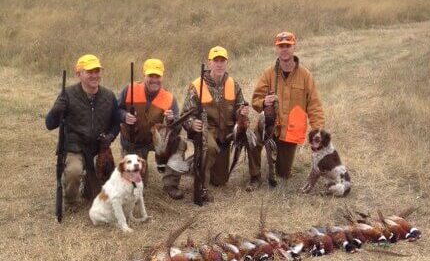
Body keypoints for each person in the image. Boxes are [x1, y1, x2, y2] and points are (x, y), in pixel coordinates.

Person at [248, 32, 325, 189]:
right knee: (252, 140)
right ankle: (255, 176)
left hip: (289, 132)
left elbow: (314, 106)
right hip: (270, 126)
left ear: (294, 47)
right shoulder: (268, 73)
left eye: (288, 46)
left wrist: (317, 131)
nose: (284, 49)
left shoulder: (305, 75)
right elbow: (255, 100)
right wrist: (263, 102)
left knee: (283, 174)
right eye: (281, 46)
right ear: (276, 49)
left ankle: (274, 157)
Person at [45, 54, 120, 210]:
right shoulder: (67, 94)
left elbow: (116, 123)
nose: (94, 75)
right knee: (74, 171)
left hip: (98, 148)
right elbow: (50, 124)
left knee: (102, 195)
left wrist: (110, 136)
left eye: (97, 71)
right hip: (75, 147)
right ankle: (71, 201)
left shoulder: (109, 96)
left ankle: (89, 185)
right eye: (89, 72)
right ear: (78, 74)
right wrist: (56, 110)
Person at [181, 46, 249, 202]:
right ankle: (201, 188)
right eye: (216, 61)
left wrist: (242, 112)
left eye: (222, 61)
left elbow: (239, 107)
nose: (219, 64)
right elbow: (185, 115)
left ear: (226, 63)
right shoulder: (196, 85)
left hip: (225, 134)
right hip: (207, 130)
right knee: (209, 148)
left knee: (220, 181)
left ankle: (195, 164)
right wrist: (192, 124)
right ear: (209, 63)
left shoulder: (234, 84)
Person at [118, 58, 185, 200]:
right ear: (144, 75)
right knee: (136, 188)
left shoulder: (169, 98)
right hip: (133, 142)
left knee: (179, 143)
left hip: (156, 141)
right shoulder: (129, 89)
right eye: (151, 76)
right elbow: (116, 110)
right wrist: (124, 116)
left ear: (162, 77)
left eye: (157, 76)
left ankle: (171, 184)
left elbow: (177, 128)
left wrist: (171, 120)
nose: (154, 80)